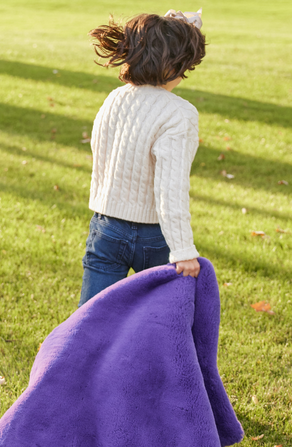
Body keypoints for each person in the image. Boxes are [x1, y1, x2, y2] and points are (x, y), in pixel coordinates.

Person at [79, 9, 206, 306]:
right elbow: (170, 188)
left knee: (91, 318)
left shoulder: (115, 98)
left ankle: (82, 354)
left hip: (105, 226)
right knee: (159, 323)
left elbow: (102, 155)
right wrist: (183, 250)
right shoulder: (179, 113)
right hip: (153, 236)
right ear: (174, 65)